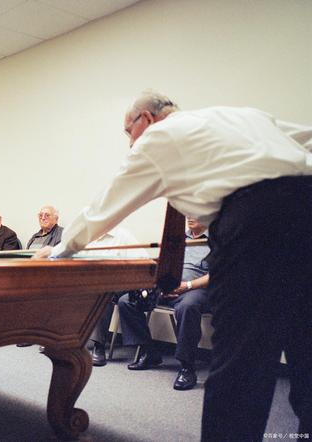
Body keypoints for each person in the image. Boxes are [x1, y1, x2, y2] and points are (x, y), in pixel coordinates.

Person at [34, 92, 312, 440]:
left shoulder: (159, 137)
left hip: (256, 223)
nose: (130, 142)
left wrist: (60, 249)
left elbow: (105, 206)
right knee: (307, 351)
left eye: (128, 132)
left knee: (241, 365)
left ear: (146, 119)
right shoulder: (240, 114)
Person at [117, 218, 209, 390]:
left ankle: (187, 367)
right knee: (127, 301)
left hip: (195, 290)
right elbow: (162, 265)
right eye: (187, 213)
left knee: (188, 307)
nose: (189, 217)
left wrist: (187, 286)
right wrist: (161, 283)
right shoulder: (177, 239)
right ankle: (149, 351)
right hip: (168, 287)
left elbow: (217, 273)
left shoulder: (216, 240)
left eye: (194, 212)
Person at [78, 226, 147, 367]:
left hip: (121, 282)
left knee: (102, 292)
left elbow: (144, 259)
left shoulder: (122, 235)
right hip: (93, 281)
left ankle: (98, 346)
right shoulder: (88, 236)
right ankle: (65, 339)